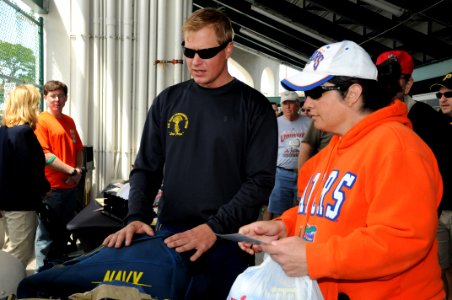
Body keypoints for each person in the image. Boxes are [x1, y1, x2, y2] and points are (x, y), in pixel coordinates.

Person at [238, 40, 445, 299]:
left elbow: (402, 240)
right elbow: (323, 212)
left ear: (352, 93)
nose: (306, 105)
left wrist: (314, 258)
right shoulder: (333, 150)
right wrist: (285, 226)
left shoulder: (398, 148)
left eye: (315, 93)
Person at [102, 7, 277, 299]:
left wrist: (213, 228)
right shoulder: (168, 100)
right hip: (170, 234)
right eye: (189, 51)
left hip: (226, 241)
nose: (195, 62)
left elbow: (259, 180)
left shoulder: (254, 107)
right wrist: (136, 216)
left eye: (206, 53)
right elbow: (146, 168)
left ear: (228, 49)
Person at [376, 52, 452, 298]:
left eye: (395, 78)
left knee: (436, 271)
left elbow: (438, 168)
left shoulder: (426, 118)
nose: (387, 83)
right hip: (383, 218)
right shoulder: (368, 115)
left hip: (422, 215)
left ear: (408, 83)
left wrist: (432, 213)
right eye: (382, 76)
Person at [34, 80, 84, 271]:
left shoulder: (69, 121)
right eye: (53, 96)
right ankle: (40, 277)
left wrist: (77, 171)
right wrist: (71, 171)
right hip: (51, 189)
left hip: (70, 187)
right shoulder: (41, 121)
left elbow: (78, 148)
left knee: (63, 234)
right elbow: (45, 155)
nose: (57, 99)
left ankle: (58, 273)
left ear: (66, 98)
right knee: (45, 237)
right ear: (45, 98)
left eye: (61, 95)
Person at [0, 84, 50, 269]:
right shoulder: (24, 132)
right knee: (17, 258)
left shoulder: (2, 131)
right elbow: (29, 170)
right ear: (28, 105)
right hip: (20, 205)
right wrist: (44, 189)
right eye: (36, 103)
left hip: (3, 203)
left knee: (5, 252)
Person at [264, 91, 310, 220]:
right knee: (274, 207)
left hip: (304, 173)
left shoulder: (309, 122)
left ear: (298, 105)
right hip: (281, 173)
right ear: (281, 106)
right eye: (285, 103)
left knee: (302, 208)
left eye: (291, 103)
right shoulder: (274, 123)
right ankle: (263, 236)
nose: (288, 107)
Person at [430, 71, 452, 299]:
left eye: (449, 94)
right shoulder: (435, 125)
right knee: (440, 268)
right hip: (438, 211)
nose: (442, 98)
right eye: (439, 94)